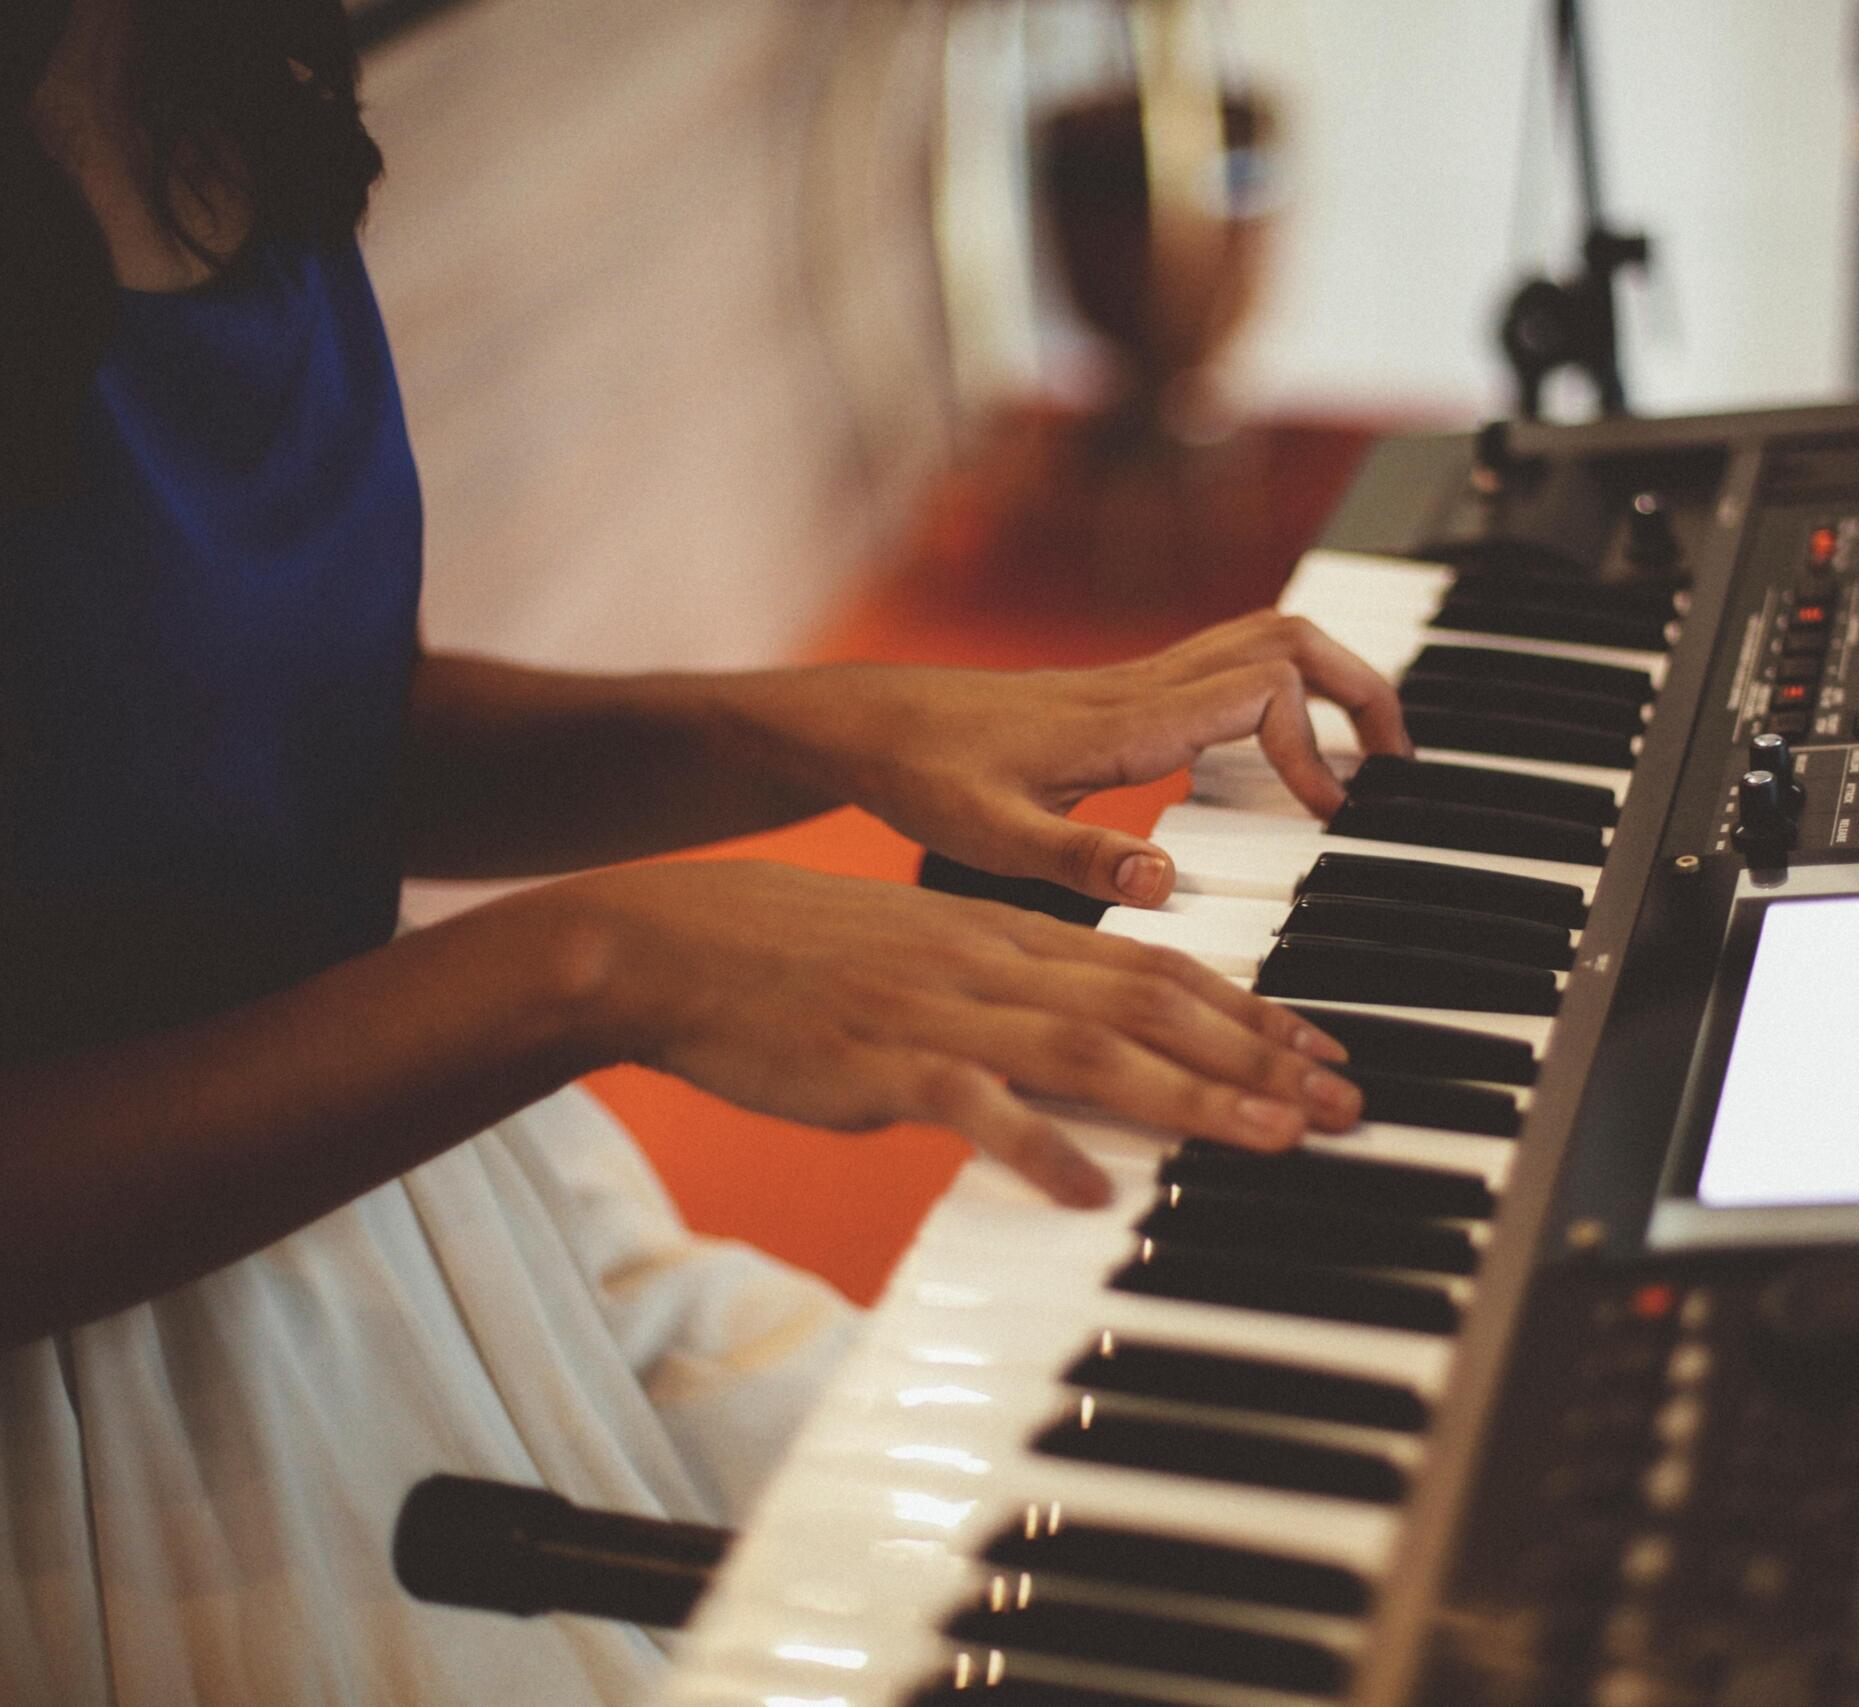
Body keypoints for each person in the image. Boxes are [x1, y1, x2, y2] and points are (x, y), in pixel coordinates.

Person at [0, 1, 1413, 1701]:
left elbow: (252, 738)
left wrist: (823, 726)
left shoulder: (200, 64)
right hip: (98, 1447)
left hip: (405, 1200)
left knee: (1165, 1566)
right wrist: (601, 966)